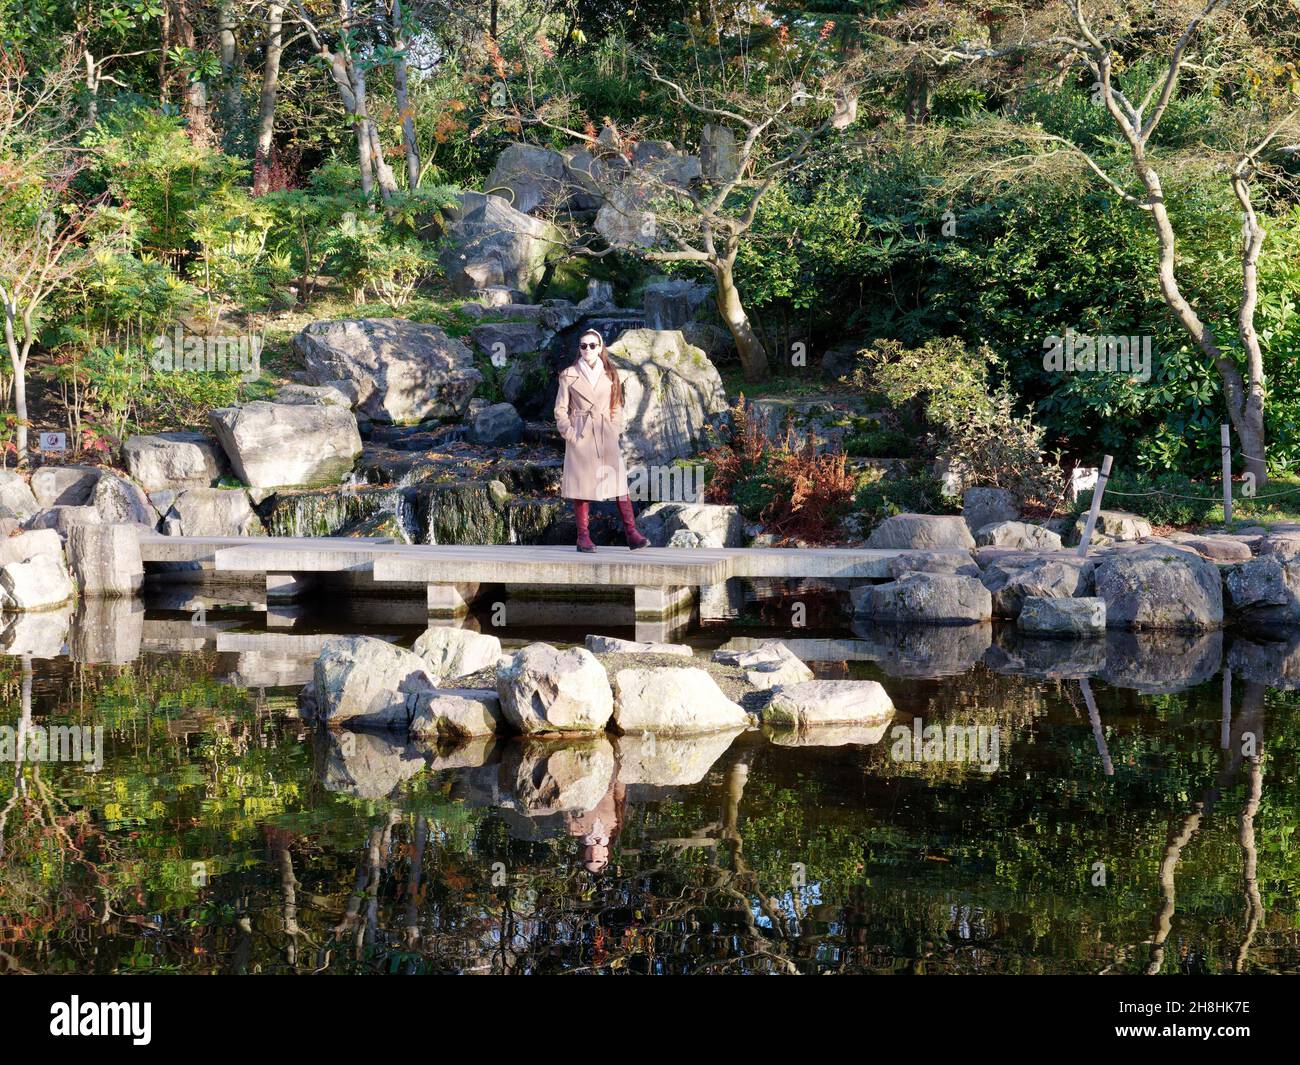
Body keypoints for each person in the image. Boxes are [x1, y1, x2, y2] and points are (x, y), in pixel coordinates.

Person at [553, 329, 648, 552]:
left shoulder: (610, 373)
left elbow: (616, 406)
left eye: (592, 345)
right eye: (583, 345)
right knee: (582, 485)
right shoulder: (569, 375)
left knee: (618, 483)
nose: (587, 349)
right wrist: (569, 432)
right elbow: (560, 409)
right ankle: (583, 537)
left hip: (605, 432)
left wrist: (615, 429)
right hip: (581, 432)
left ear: (600, 347)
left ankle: (632, 533)